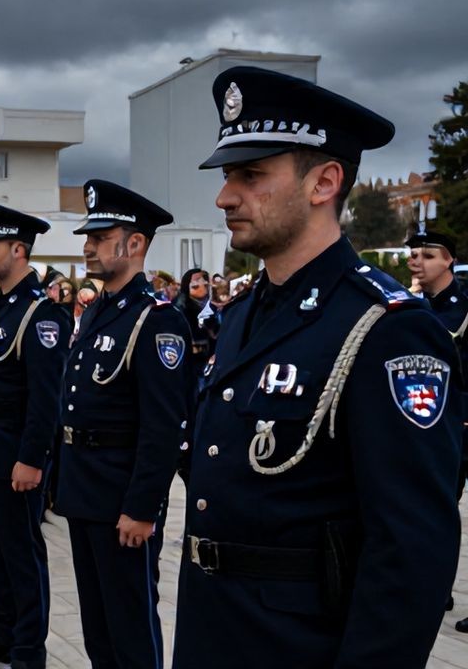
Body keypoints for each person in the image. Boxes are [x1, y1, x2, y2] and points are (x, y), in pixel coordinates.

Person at [174, 66, 462, 667]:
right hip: (213, 627)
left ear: (325, 181)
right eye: (229, 175)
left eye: (251, 175)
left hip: (298, 646)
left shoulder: (385, 326)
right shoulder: (245, 311)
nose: (226, 196)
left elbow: (411, 549)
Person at [54, 180, 190, 669]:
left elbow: (163, 425)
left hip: (120, 499)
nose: (87, 245)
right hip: (85, 490)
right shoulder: (100, 311)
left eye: (99, 235)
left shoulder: (156, 319)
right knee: (98, 625)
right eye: (88, 236)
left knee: (131, 624)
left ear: (134, 243)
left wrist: (142, 507)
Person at [0, 204, 72, 669]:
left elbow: (46, 399)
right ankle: (4, 632)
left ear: (19, 250)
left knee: (22, 554)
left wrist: (32, 459)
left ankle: (28, 648)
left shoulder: (42, 314)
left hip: (14, 453)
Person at [404, 229, 468, 627]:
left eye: (427, 255)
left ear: (448, 261)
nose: (417, 260)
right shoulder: (422, 304)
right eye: (414, 254)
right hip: (442, 423)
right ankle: (438, 589)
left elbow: (439, 337)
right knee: (438, 508)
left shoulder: (459, 305)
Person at [176, 267, 221, 382]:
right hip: (191, 363)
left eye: (205, 282)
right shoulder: (182, 308)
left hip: (209, 360)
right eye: (196, 283)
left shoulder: (211, 306)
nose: (203, 283)